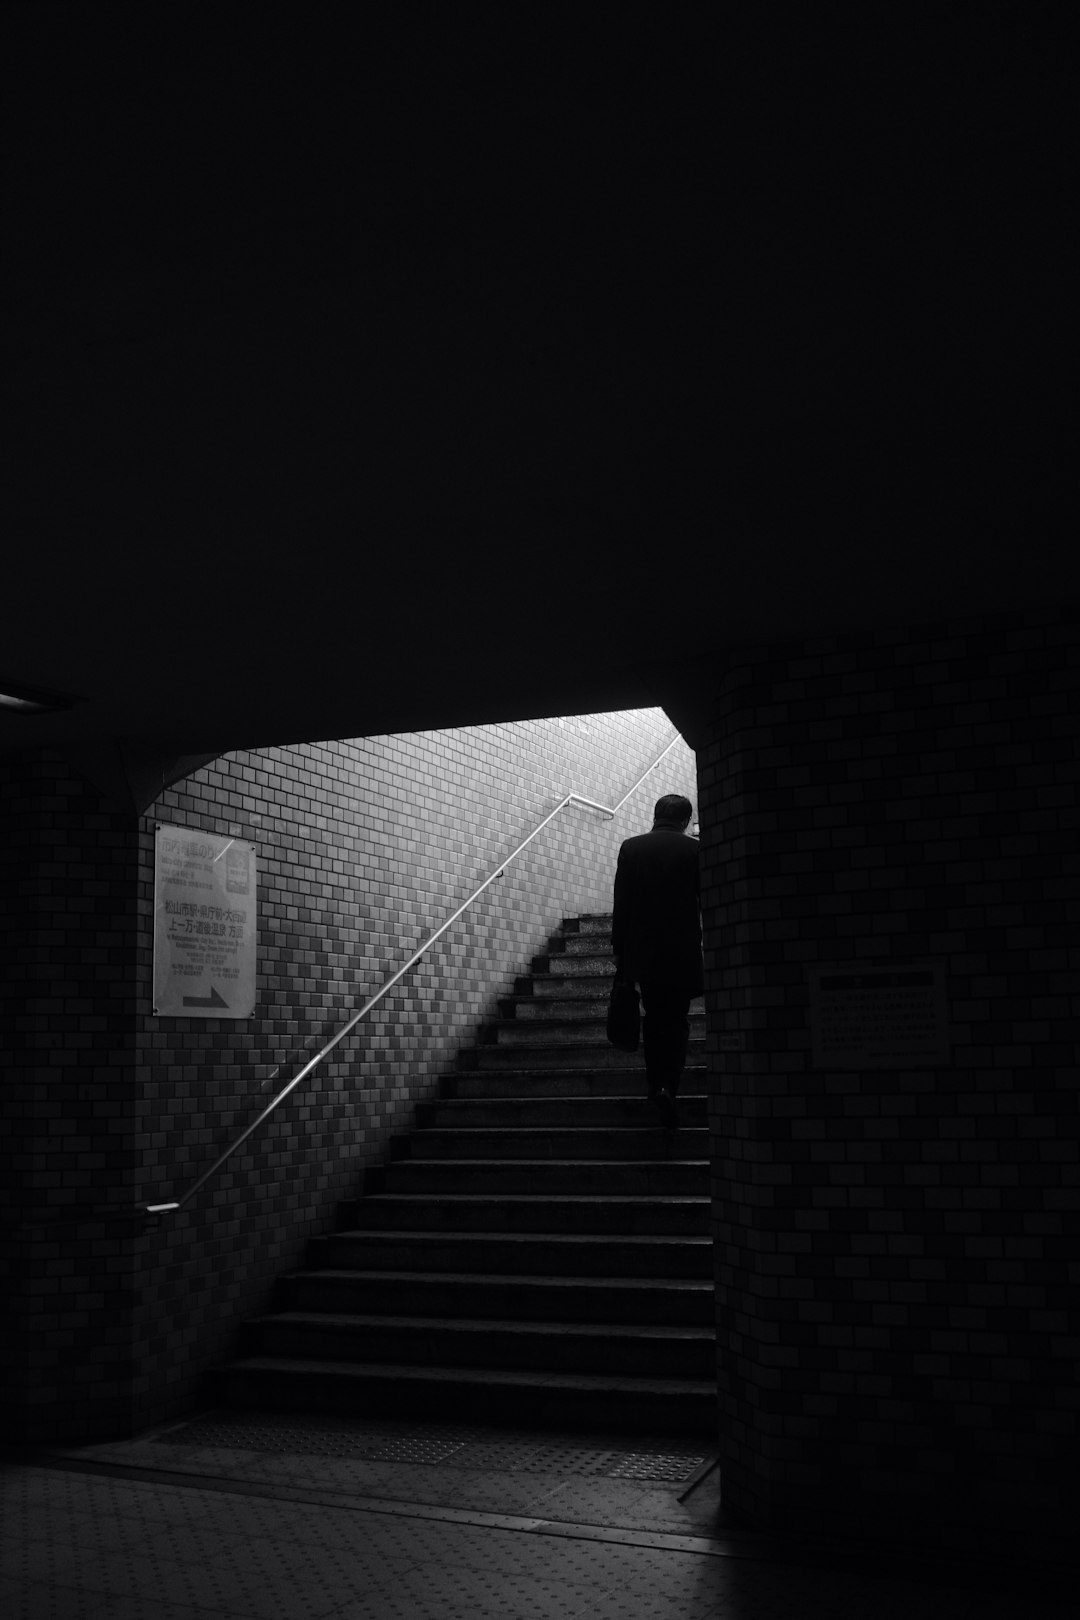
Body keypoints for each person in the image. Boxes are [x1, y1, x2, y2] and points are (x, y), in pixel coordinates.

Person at [611, 793, 703, 1130]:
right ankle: (670, 1086)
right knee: (676, 1021)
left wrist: (619, 948)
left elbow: (622, 901)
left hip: (644, 953)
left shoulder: (632, 848)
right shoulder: (694, 850)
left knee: (652, 1019)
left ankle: (655, 1085)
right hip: (681, 952)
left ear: (655, 815)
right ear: (685, 820)